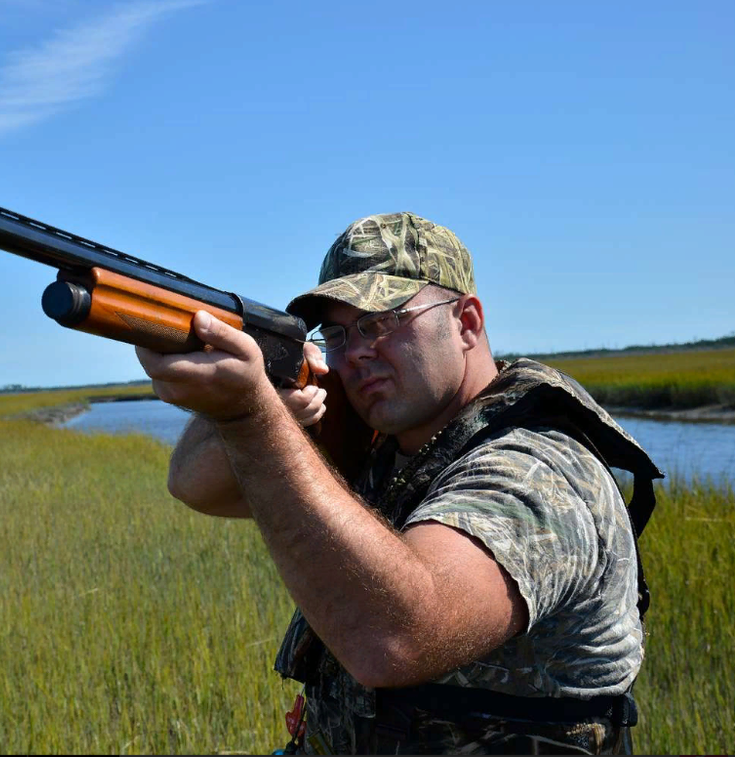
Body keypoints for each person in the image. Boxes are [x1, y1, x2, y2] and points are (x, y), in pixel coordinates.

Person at [135, 212, 660, 755]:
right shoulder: (385, 443)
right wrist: (265, 392)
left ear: (466, 324)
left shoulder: (537, 470)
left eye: (381, 322)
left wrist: (252, 417)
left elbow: (394, 638)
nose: (356, 351)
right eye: (336, 333)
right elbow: (197, 485)